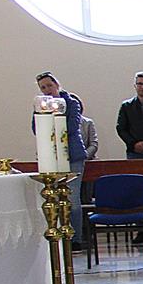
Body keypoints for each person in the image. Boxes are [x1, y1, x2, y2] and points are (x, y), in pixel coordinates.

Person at [33, 72, 88, 244]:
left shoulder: (71, 102)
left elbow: (71, 126)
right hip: (51, 156)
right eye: (43, 87)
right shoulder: (42, 105)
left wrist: (52, 128)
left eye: (49, 85)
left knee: (72, 198)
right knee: (53, 198)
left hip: (72, 155)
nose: (47, 90)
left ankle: (75, 238)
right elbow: (36, 128)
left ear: (57, 85)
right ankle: (58, 236)